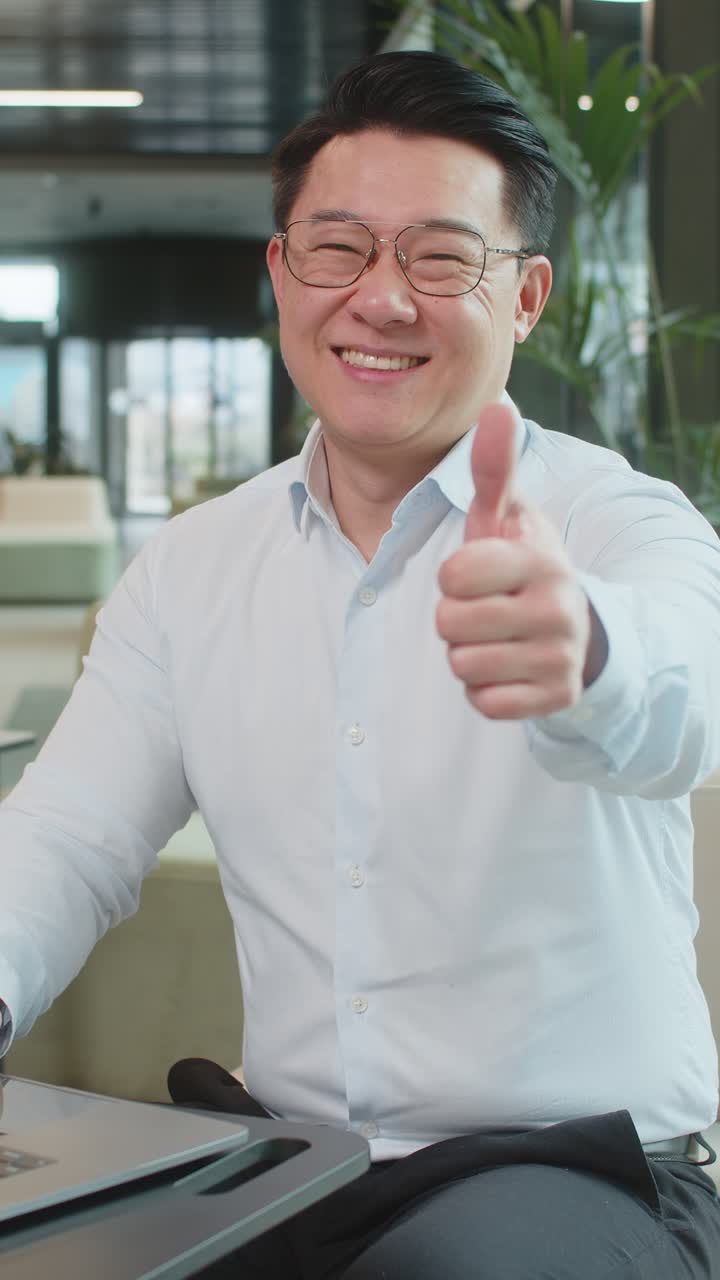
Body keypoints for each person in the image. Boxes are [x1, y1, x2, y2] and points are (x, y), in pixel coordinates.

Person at [2, 48, 720, 1279]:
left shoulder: (619, 521)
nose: (380, 298)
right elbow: (65, 843)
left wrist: (584, 647)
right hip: (298, 1163)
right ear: (281, 272)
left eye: (441, 257)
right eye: (338, 247)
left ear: (528, 295)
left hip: (576, 1176)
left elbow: (685, 702)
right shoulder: (190, 569)